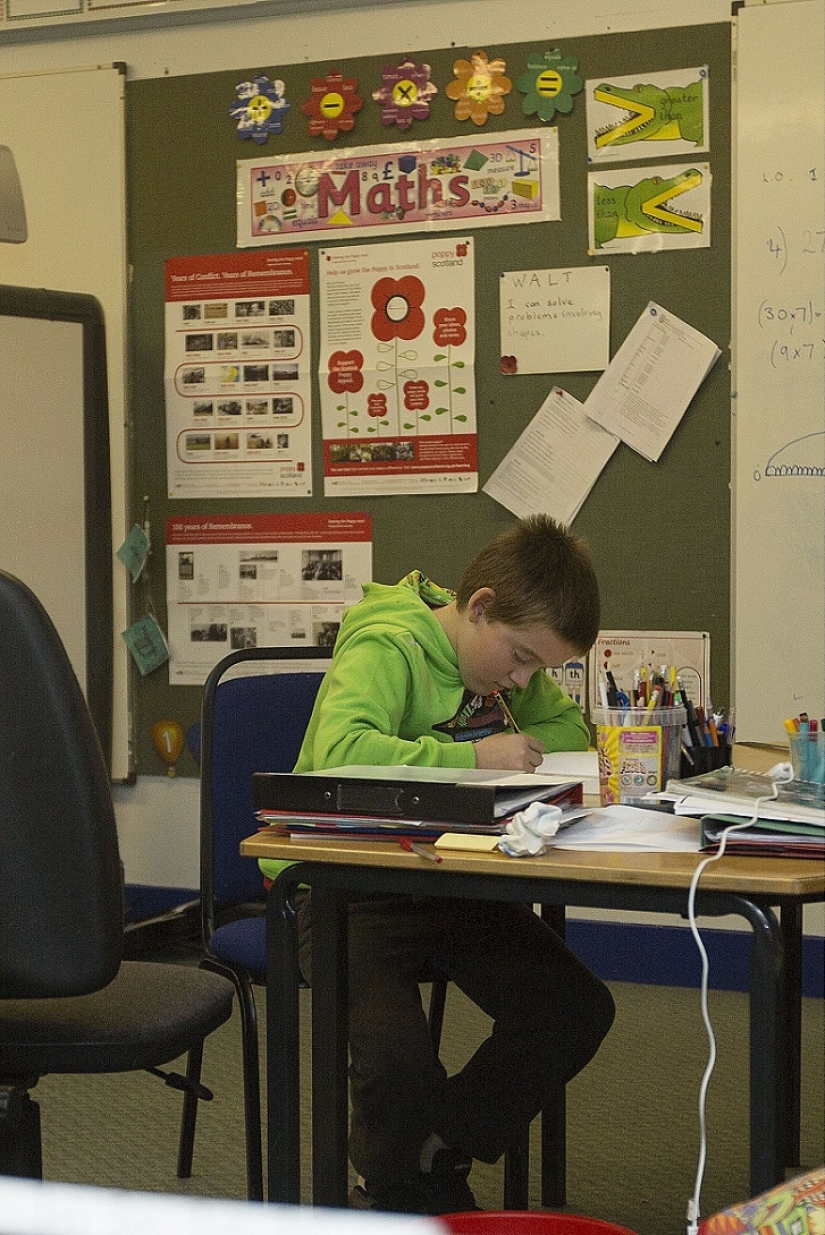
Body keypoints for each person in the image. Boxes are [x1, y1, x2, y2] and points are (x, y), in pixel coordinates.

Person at [260, 516, 616, 1215]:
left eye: (538, 668)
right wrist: (470, 755)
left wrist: (511, 721)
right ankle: (390, 1193)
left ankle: (440, 1145)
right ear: (479, 605)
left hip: (452, 879)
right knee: (396, 1062)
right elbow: (339, 753)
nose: (522, 679)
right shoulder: (388, 643)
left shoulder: (508, 659)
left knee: (573, 1010)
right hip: (344, 886)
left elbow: (570, 733)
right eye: (518, 658)